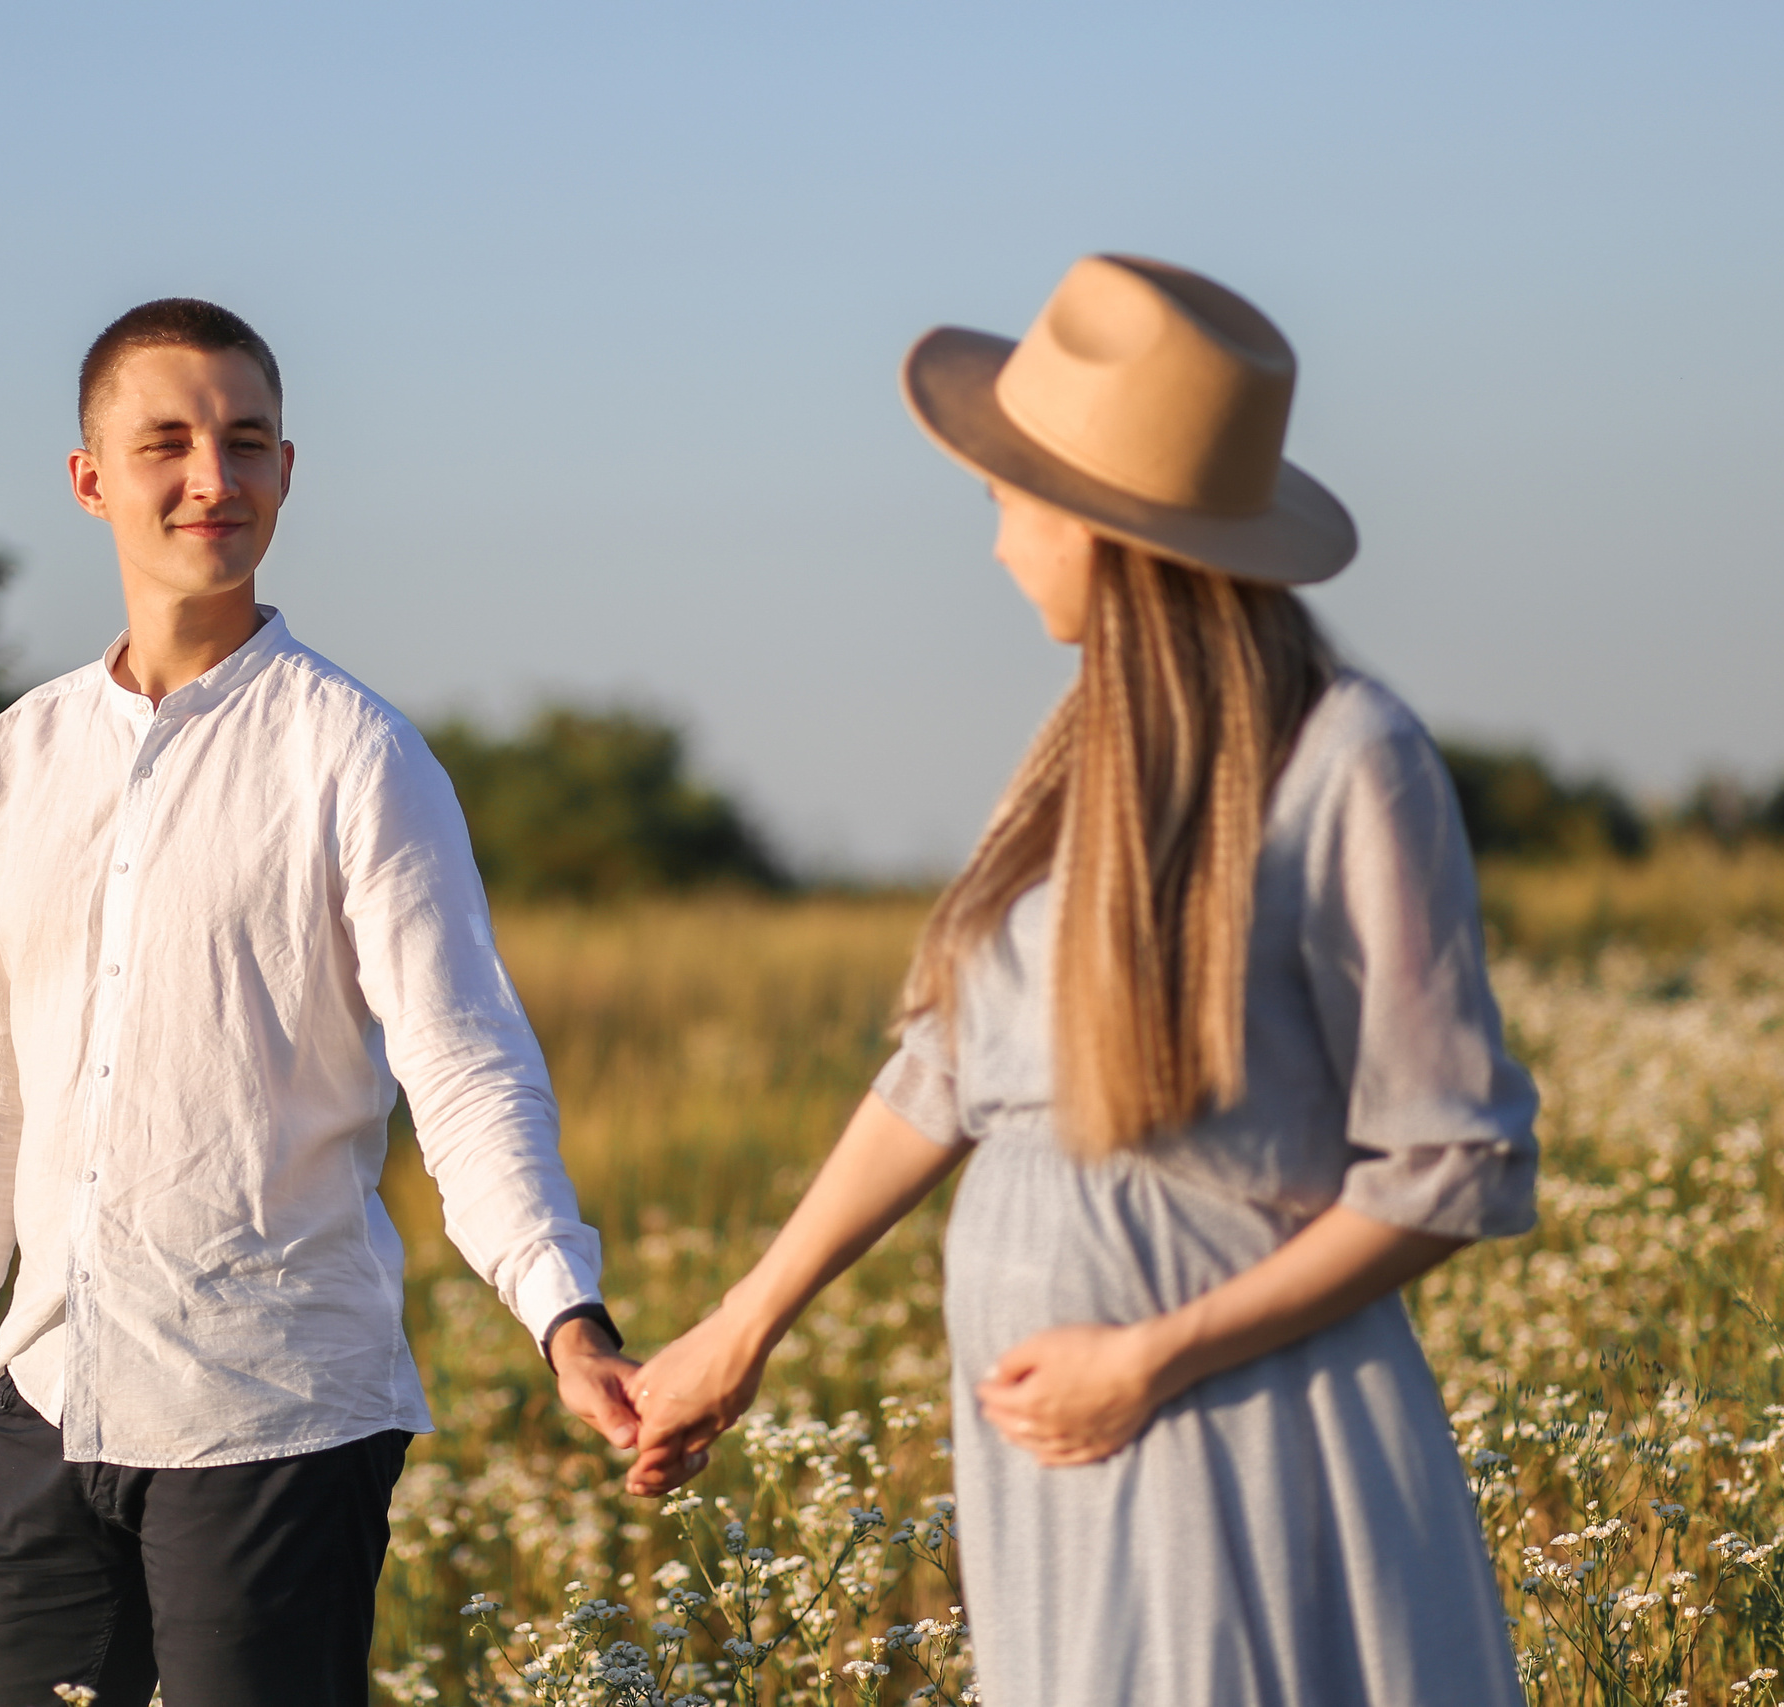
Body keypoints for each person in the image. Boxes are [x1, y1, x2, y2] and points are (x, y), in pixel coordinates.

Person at [626, 256, 1540, 1704]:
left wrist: (1157, 1358)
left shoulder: (1349, 756)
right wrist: (741, 1329)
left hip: (1238, 1432)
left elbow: (1449, 1163)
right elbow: (942, 1073)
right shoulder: (1073, 749)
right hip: (1055, 1465)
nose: (996, 547)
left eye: (1011, 502)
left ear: (1110, 529)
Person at [0, 298, 671, 1706]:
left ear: (288, 472)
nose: (212, 479)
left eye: (246, 443)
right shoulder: (16, 759)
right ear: (90, 478)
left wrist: (566, 1312)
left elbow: (464, 1059)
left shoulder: (359, 756)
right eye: (167, 442)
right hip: (46, 1402)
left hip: (275, 1414)